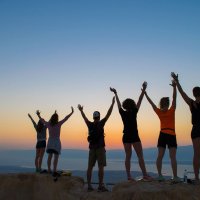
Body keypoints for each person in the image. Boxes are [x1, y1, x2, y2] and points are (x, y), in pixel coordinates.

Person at [110, 82, 152, 181]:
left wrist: (116, 94)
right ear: (132, 105)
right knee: (140, 156)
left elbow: (119, 104)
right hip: (134, 135)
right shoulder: (134, 112)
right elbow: (140, 100)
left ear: (125, 106)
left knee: (128, 156)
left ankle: (129, 176)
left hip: (126, 136)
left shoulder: (122, 113)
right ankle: (145, 175)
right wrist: (144, 89)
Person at [144, 80, 181, 182]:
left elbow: (151, 103)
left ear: (161, 104)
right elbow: (174, 98)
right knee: (173, 157)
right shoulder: (171, 110)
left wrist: (145, 93)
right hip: (171, 134)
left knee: (160, 156)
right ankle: (175, 177)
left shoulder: (159, 112)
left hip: (162, 134)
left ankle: (160, 175)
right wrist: (174, 87)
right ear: (168, 104)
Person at [78, 96, 115, 192]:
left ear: (93, 117)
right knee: (101, 167)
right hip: (100, 148)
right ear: (99, 116)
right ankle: (100, 186)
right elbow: (108, 114)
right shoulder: (101, 123)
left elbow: (84, 118)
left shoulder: (89, 124)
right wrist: (112, 103)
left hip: (91, 148)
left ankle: (89, 186)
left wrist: (81, 110)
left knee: (89, 167)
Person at [171, 72, 200, 183]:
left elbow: (182, 93)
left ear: (194, 94)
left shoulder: (192, 103)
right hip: (197, 129)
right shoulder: (192, 103)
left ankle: (197, 178)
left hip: (196, 129)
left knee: (196, 154)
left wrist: (177, 81)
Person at [36, 108, 74, 177]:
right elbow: (66, 118)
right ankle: (54, 170)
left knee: (50, 156)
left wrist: (38, 115)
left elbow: (42, 120)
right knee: (56, 157)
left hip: (50, 142)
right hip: (56, 142)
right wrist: (71, 112)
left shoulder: (48, 124)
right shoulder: (59, 124)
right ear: (57, 118)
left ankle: (49, 169)